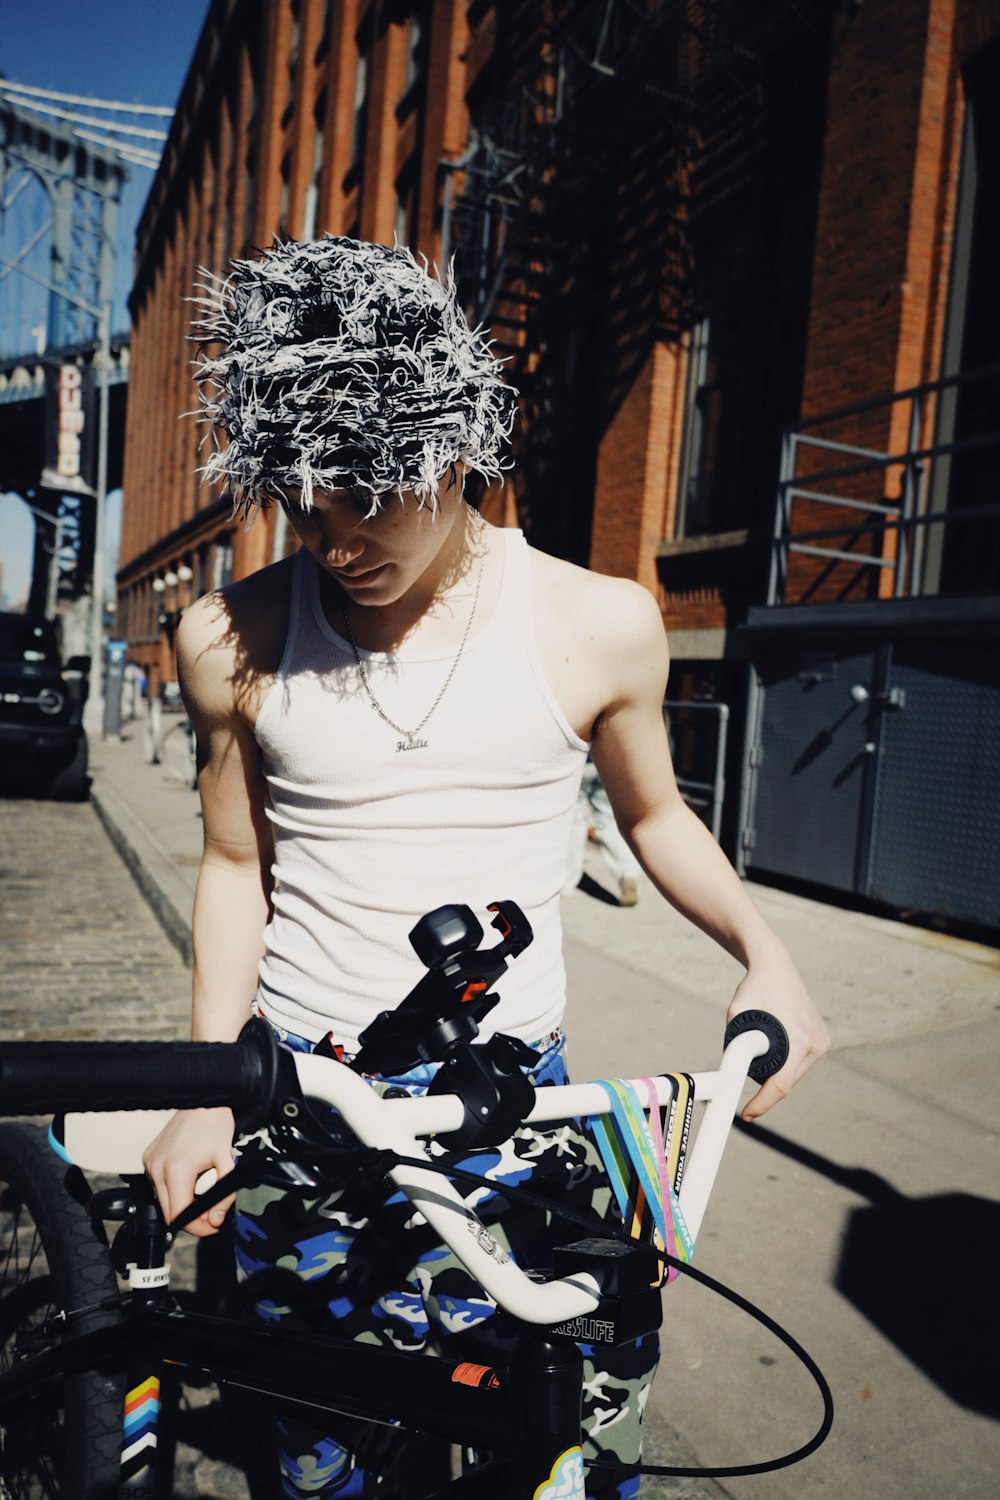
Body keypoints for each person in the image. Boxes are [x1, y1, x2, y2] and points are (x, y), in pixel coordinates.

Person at [143, 235, 829, 1499]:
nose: (339, 542)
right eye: (308, 506)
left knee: (554, 1440)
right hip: (301, 1098)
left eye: (370, 499)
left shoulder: (597, 622)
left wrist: (768, 956)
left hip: (510, 1101)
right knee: (318, 1448)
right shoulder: (225, 638)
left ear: (452, 452)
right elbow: (235, 862)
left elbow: (657, 821)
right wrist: (207, 1084)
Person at [564, 755, 643, 905]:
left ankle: (568, 881)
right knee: (608, 819)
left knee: (575, 819)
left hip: (580, 762)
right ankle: (627, 871)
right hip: (609, 761)